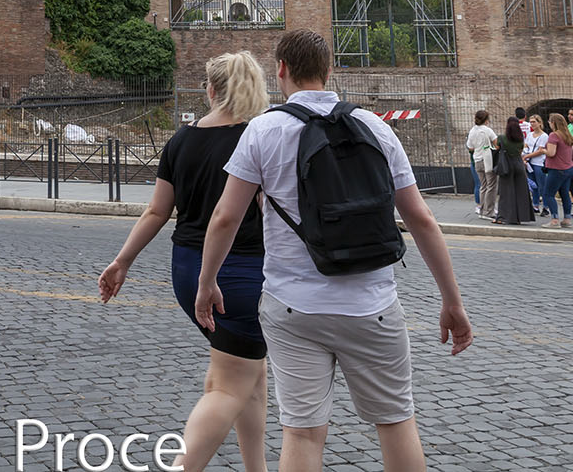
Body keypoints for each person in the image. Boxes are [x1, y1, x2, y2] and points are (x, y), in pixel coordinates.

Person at [196, 30, 471, 472]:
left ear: (281, 70)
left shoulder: (264, 129)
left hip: (293, 306)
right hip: (372, 304)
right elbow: (420, 218)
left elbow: (226, 217)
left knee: (302, 433)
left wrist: (207, 281)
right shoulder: (376, 127)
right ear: (329, 70)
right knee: (396, 422)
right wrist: (452, 301)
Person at [100, 52, 271, 472]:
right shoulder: (256, 138)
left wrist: (122, 261)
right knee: (228, 388)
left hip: (186, 269)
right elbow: (264, 211)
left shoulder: (181, 140)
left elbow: (157, 211)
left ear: (210, 90)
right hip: (236, 274)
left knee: (247, 374)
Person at [493, 111, 535, 225]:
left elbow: (497, 147)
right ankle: (521, 216)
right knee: (521, 192)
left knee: (506, 192)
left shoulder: (502, 137)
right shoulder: (520, 138)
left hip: (506, 165)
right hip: (519, 164)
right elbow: (520, 151)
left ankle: (502, 217)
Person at [538, 113, 573, 228]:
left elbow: (551, 153)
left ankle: (554, 220)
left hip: (556, 169)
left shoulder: (553, 135)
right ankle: (567, 219)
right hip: (568, 168)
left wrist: (542, 150)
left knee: (548, 194)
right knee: (565, 194)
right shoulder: (567, 135)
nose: (549, 124)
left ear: (553, 123)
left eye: (550, 121)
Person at [466, 110, 497, 219]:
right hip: (487, 160)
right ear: (486, 120)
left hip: (477, 160)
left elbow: (470, 147)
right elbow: (497, 144)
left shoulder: (472, 131)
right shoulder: (487, 130)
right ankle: (489, 211)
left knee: (483, 186)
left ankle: (482, 209)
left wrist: (478, 147)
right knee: (491, 186)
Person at [525, 114, 549, 215]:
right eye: (530, 122)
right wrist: (525, 154)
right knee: (533, 185)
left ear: (539, 123)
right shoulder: (530, 135)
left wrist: (527, 156)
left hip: (539, 162)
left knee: (542, 185)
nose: (532, 124)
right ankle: (535, 205)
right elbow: (526, 145)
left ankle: (546, 206)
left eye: (534, 122)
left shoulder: (544, 136)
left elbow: (540, 150)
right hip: (530, 162)